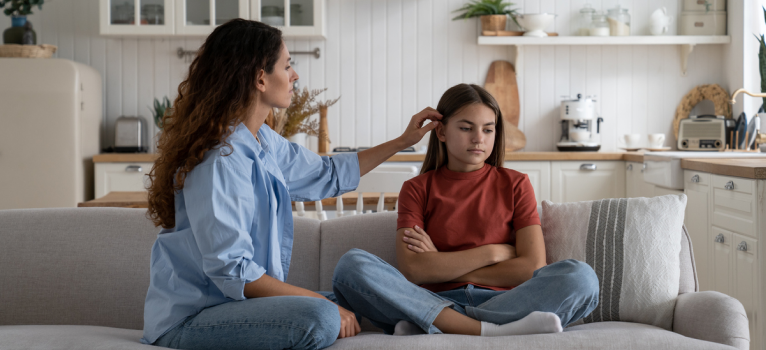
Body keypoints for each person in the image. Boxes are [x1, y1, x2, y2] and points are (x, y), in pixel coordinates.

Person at [141, 19, 441, 350]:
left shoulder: (261, 141)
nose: (294, 75)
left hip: (236, 308)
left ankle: (472, 321)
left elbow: (327, 174)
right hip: (193, 318)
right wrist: (322, 304)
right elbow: (234, 272)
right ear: (260, 78)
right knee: (323, 315)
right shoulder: (220, 162)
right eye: (287, 65)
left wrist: (402, 141)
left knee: (361, 297)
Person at [332, 84, 600, 337]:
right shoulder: (416, 188)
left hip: (503, 300)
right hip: (433, 298)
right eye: (466, 128)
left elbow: (531, 267)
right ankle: (490, 329)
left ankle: (436, 323)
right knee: (351, 266)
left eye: (487, 130)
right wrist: (492, 253)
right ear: (442, 132)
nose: (478, 139)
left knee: (582, 277)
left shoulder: (516, 183)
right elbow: (414, 269)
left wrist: (441, 264)